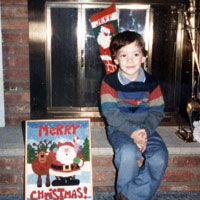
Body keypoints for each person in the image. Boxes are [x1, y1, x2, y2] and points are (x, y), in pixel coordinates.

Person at [100, 31, 168, 200]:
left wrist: (144, 131)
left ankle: (129, 195)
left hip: (146, 129)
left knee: (159, 156)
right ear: (115, 59)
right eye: (124, 55)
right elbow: (110, 113)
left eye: (135, 54)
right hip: (120, 129)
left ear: (144, 57)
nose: (130, 60)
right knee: (128, 152)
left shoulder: (152, 82)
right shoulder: (109, 82)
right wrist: (132, 133)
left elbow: (157, 110)